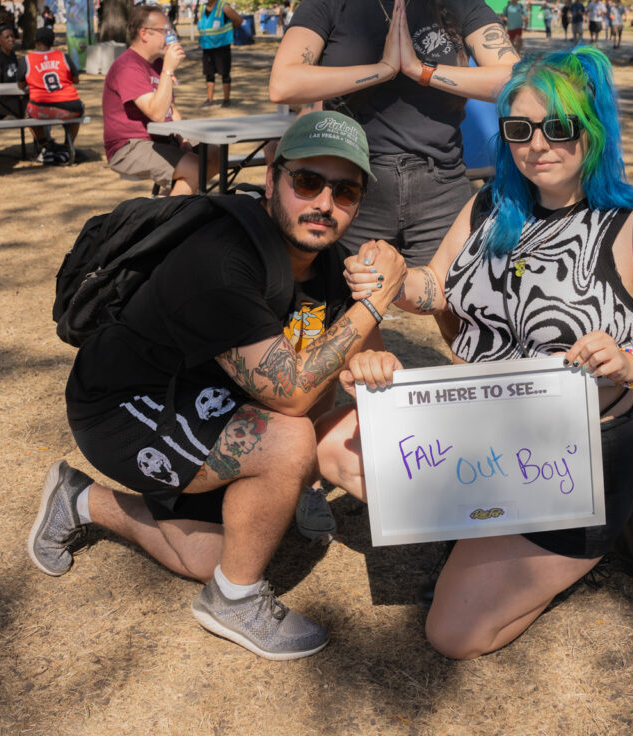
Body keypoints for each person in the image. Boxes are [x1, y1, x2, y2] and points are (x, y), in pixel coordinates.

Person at [327, 46, 633, 660]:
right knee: (336, 451)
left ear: (592, 131)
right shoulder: (489, 207)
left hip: (575, 456)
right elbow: (436, 289)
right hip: (478, 436)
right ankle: (497, 532)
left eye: (558, 126)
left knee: (453, 634)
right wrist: (390, 275)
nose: (538, 144)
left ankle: (594, 535)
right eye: (519, 129)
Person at [27, 110, 407, 661]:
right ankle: (234, 600)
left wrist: (373, 338)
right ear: (273, 175)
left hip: (204, 396)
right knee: (286, 438)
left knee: (212, 555)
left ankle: (79, 500)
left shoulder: (325, 261)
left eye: (344, 191)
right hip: (122, 406)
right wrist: (375, 303)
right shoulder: (221, 260)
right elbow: (293, 393)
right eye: (307, 182)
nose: (324, 203)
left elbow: (343, 359)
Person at [269, 0, 517, 265]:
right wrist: (383, 69)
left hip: (442, 184)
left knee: (458, 310)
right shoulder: (329, 3)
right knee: (348, 310)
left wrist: (423, 71)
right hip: (351, 183)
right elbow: (283, 83)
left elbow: (515, 80)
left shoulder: (461, 4)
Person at [103, 4, 217, 195]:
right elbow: (157, 113)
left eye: (171, 30)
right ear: (144, 33)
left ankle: (165, 207)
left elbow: (171, 109)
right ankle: (170, 221)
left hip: (161, 141)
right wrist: (169, 70)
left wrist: (184, 139)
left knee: (214, 153)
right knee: (195, 168)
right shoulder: (128, 66)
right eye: (165, 31)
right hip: (129, 146)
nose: (171, 36)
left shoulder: (157, 64)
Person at [17, 27, 84, 164]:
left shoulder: (27, 60)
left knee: (29, 112)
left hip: (40, 109)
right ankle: (66, 148)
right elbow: (76, 80)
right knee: (80, 108)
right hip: (69, 108)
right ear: (52, 42)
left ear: (36, 43)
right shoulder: (63, 57)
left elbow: (21, 85)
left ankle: (45, 147)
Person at [197, 0, 243, 106]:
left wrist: (228, 31)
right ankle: (210, 99)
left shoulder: (224, 6)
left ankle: (226, 100)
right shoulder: (201, 9)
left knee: (225, 73)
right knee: (209, 74)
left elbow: (238, 20)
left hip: (222, 46)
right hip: (207, 46)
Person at [0, 25, 25, 120]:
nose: (11, 39)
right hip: (4, 100)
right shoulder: (0, 58)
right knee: (32, 110)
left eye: (12, 36)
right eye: (7, 37)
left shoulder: (12, 55)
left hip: (17, 95)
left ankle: (42, 135)